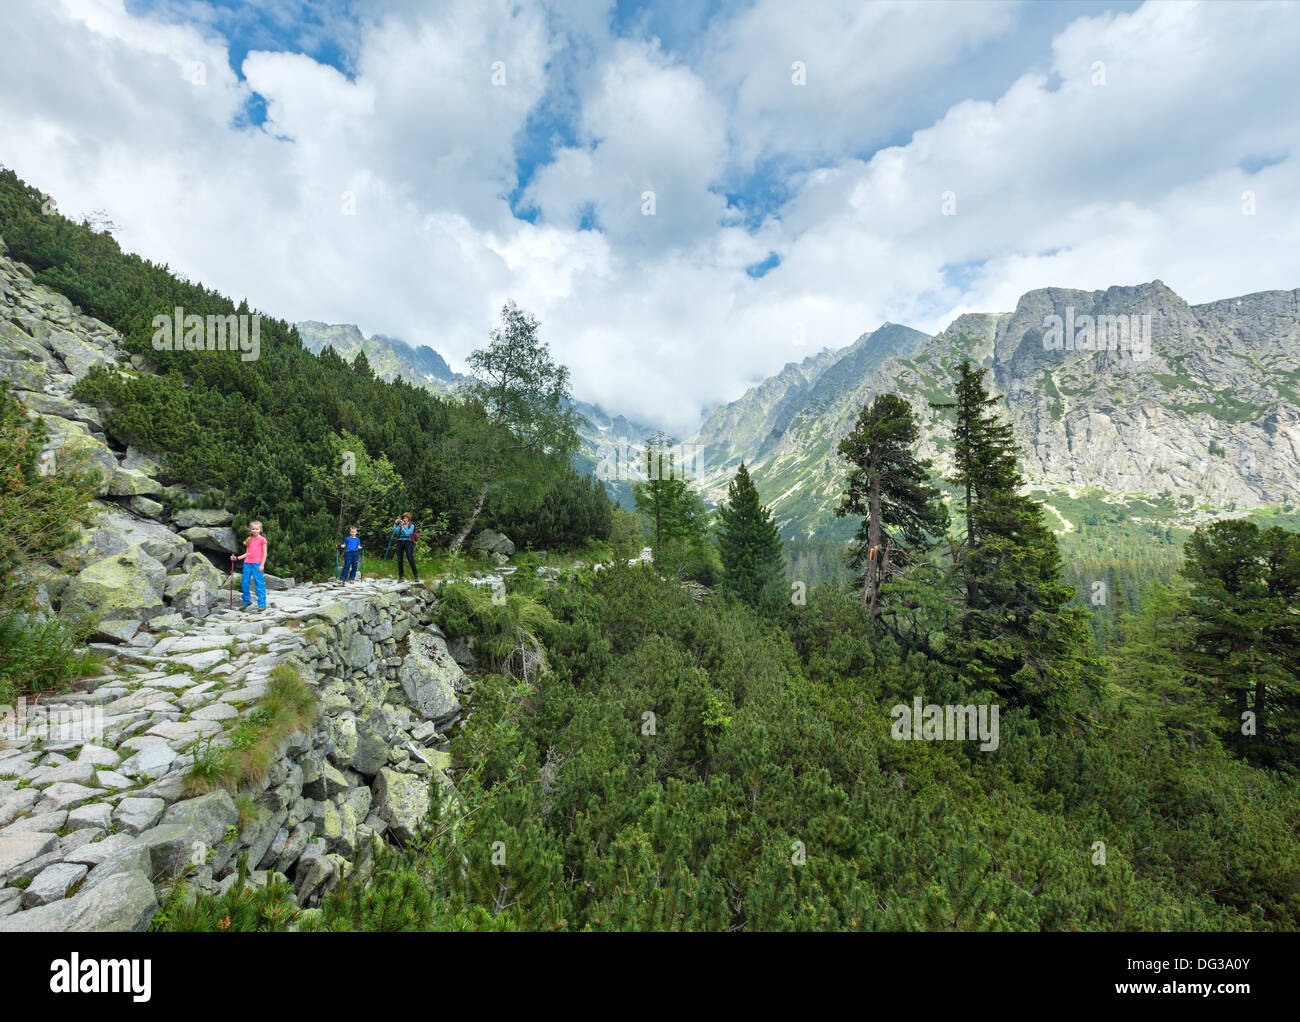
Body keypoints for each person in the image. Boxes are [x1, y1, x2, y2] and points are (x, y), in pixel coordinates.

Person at [232, 520, 268, 609]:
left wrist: (262, 565)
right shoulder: (249, 539)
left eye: (256, 529)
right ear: (250, 530)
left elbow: (265, 553)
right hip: (247, 564)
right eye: (253, 529)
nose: (254, 530)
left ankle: (262, 604)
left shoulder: (262, 540)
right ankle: (246, 601)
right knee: (244, 583)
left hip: (257, 564)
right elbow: (247, 553)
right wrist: (236, 558)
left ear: (260, 530)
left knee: (259, 583)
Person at [392, 512, 418, 582]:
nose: (404, 519)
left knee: (410, 558)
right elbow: (394, 532)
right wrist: (395, 524)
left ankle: (416, 576)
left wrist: (403, 527)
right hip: (400, 541)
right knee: (399, 559)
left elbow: (407, 534)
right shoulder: (400, 525)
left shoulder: (411, 525)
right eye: (403, 518)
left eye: (406, 518)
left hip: (408, 542)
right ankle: (401, 577)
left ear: (409, 519)